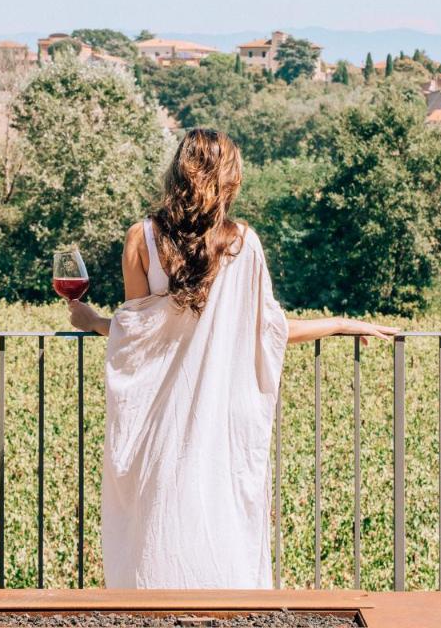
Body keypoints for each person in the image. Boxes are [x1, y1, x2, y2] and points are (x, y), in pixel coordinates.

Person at [67, 127, 397, 589]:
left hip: (158, 423)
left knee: (154, 523)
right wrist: (341, 322)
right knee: (217, 519)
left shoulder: (141, 238)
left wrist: (92, 320)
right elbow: (267, 331)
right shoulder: (243, 243)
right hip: (217, 421)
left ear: (178, 172)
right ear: (229, 179)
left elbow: (135, 335)